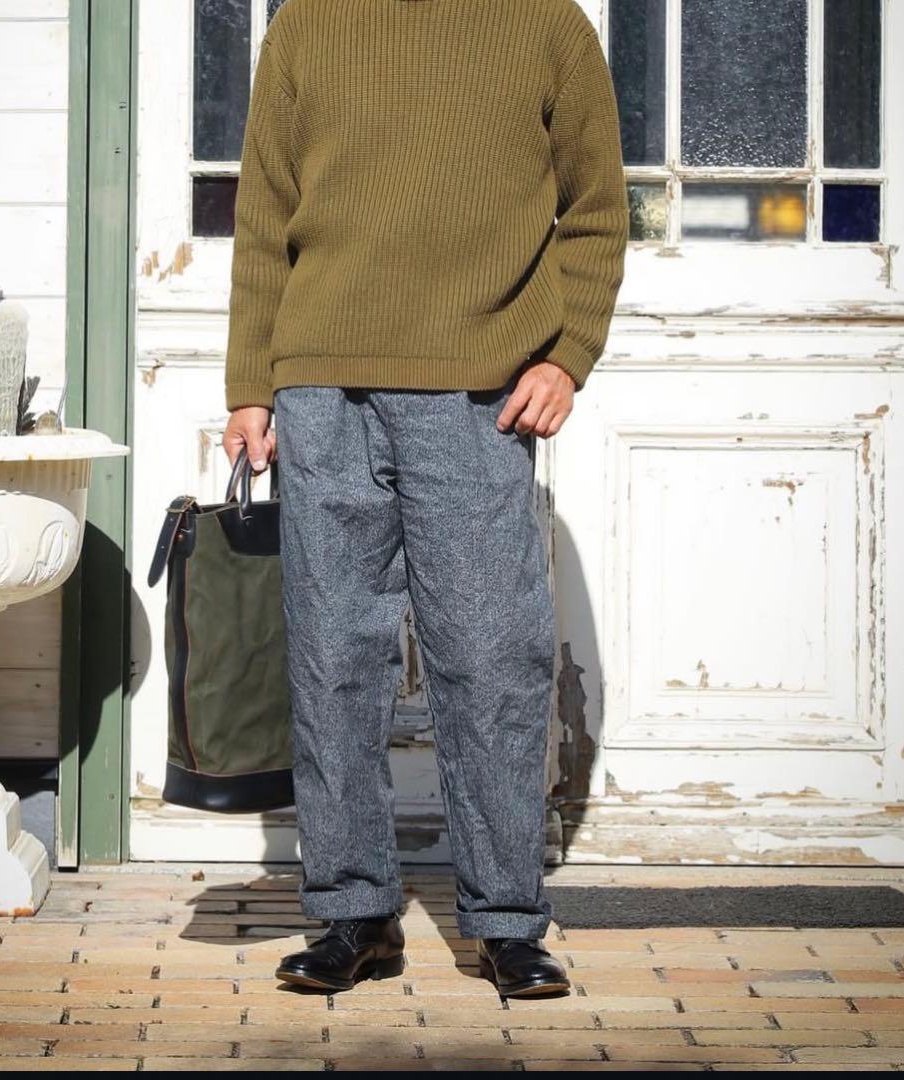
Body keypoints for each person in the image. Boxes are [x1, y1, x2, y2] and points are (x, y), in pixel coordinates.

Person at [221, 0, 628, 998]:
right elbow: (264, 216)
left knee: (490, 661)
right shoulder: (306, 25)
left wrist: (568, 355)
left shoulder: (546, 25)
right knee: (331, 663)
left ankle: (507, 922)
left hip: (479, 393)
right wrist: (249, 386)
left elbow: (597, 208)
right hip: (321, 389)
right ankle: (353, 913)